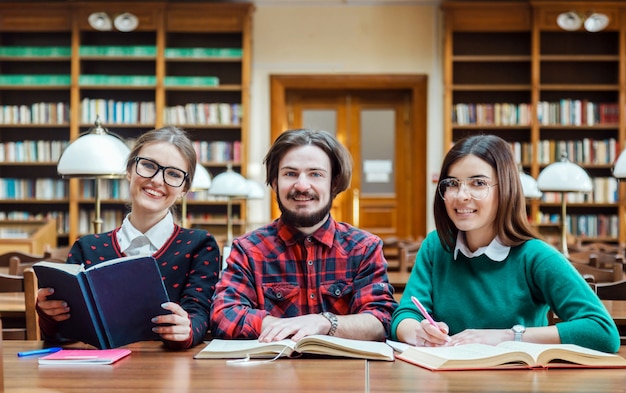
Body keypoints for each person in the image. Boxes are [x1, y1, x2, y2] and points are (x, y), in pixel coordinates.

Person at [391, 134, 620, 353]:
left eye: (478, 183)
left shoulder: (536, 257)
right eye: (452, 183)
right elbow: (405, 314)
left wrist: (508, 337)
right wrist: (417, 332)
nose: (461, 196)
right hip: (444, 379)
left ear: (506, 190)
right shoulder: (436, 246)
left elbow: (602, 331)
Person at [36, 126, 221, 349]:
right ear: (129, 170)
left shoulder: (200, 245)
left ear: (184, 188)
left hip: (168, 373)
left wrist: (188, 328)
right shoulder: (86, 248)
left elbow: (200, 317)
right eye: (148, 165)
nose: (157, 180)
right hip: (96, 374)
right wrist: (49, 315)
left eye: (173, 174)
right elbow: (62, 337)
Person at [210, 128, 397, 342]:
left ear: (333, 183)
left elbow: (381, 320)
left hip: (345, 374)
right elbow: (222, 315)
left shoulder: (364, 248)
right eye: (290, 174)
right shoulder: (248, 249)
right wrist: (287, 327)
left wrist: (324, 323)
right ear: (274, 182)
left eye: (315, 174)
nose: (301, 185)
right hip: (270, 373)